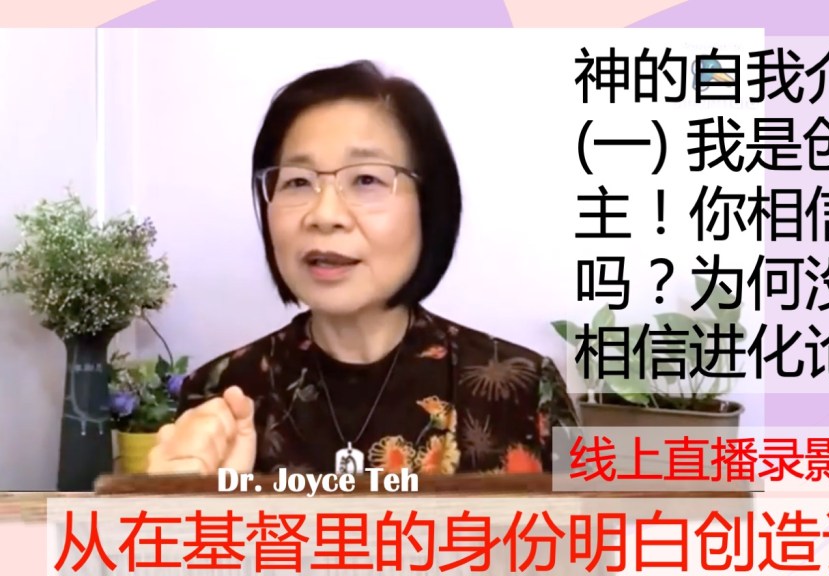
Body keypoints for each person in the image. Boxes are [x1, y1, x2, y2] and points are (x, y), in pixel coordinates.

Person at [146, 61, 580, 477]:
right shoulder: (218, 395)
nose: (324, 215)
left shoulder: (528, 388)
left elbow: (600, 527)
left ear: (430, 205)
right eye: (297, 181)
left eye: (367, 180)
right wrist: (184, 499)